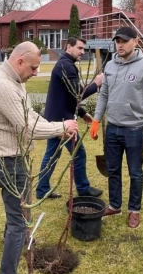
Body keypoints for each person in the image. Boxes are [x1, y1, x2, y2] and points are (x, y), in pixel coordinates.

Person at [0, 41, 79, 274]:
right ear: (19, 62)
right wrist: (62, 128)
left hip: (11, 159)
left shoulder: (13, 81)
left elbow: (30, 116)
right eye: (34, 67)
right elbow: (29, 128)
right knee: (20, 221)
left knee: (16, 216)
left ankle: (10, 237)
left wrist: (56, 128)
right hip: (8, 161)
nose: (37, 73)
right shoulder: (3, 86)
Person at [90, 26, 143, 229]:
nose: (120, 45)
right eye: (117, 41)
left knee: (135, 172)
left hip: (133, 129)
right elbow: (104, 94)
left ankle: (134, 210)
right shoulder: (110, 65)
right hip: (112, 127)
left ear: (135, 41)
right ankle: (115, 205)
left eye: (124, 41)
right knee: (113, 170)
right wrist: (96, 119)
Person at [36, 37, 104, 200]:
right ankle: (83, 189)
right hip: (61, 122)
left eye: (83, 49)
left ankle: (42, 189)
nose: (82, 52)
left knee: (52, 155)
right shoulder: (66, 66)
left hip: (57, 117)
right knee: (78, 154)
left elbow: (68, 97)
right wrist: (96, 84)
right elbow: (78, 93)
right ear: (68, 47)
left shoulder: (65, 64)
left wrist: (82, 113)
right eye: (79, 48)